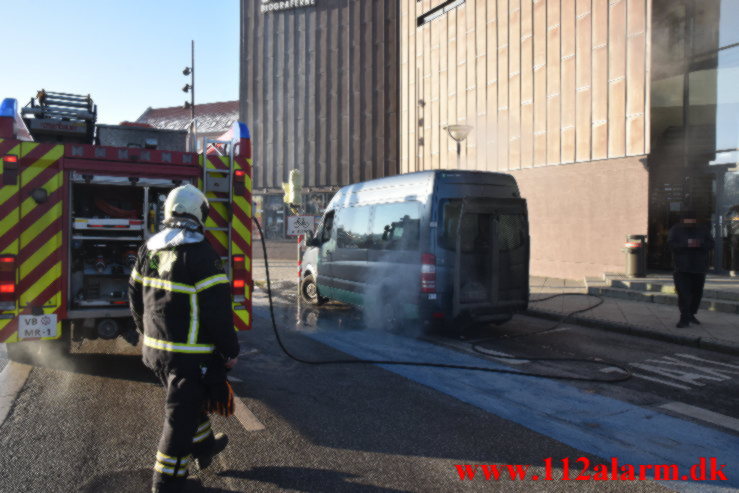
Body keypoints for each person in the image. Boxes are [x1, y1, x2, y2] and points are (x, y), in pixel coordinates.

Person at [128, 184, 239, 493]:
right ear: (199, 214)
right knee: (178, 419)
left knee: (189, 404)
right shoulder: (201, 255)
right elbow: (218, 312)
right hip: (187, 358)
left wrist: (144, 332)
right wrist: (230, 350)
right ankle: (166, 482)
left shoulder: (149, 249)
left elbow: (134, 296)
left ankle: (203, 447)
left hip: (156, 353)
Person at [667, 210, 715, 328]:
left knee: (697, 294)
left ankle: (691, 314)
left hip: (699, 267)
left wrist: (700, 244)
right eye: (687, 219)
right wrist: (686, 244)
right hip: (681, 268)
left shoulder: (702, 229)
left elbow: (711, 244)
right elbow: (670, 245)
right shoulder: (676, 229)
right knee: (684, 294)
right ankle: (684, 318)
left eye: (692, 219)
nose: (689, 222)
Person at [727, 205, 739, 277]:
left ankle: (733, 270)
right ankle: (733, 269)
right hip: (735, 235)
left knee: (734, 253)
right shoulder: (734, 216)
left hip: (735, 235)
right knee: (734, 253)